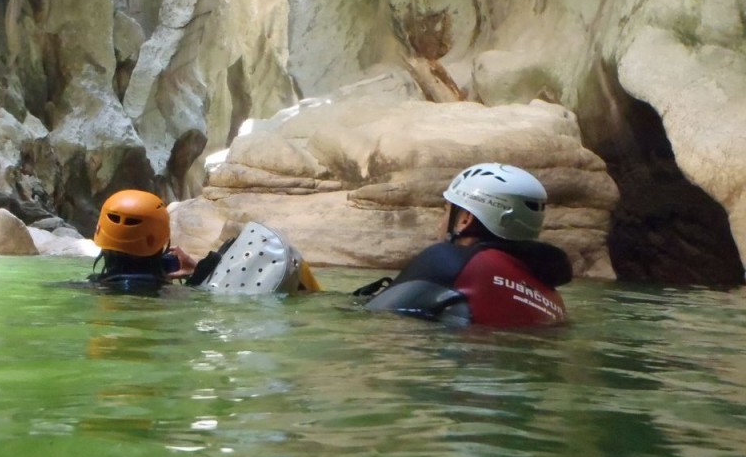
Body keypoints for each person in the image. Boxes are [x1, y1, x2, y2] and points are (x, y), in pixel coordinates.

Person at [355, 163, 571, 326]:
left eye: (447, 210)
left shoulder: (448, 261)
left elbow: (373, 318)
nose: (441, 221)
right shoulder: (553, 298)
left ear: (465, 219)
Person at [89, 189, 321, 294]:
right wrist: (200, 270)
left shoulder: (86, 290)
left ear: (99, 232)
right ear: (161, 239)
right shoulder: (188, 296)